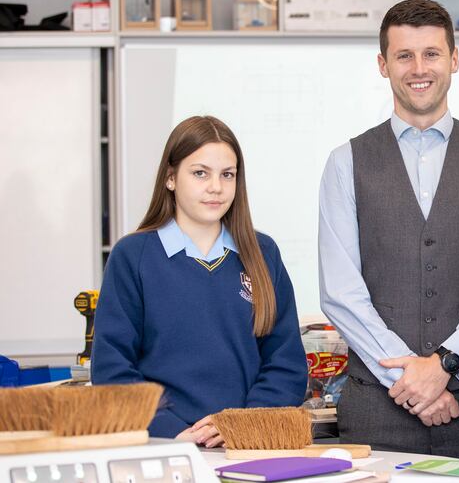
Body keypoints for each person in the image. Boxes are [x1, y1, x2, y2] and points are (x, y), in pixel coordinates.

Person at [318, 0, 459, 458]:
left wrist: (446, 365)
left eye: (432, 53)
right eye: (404, 55)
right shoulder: (345, 162)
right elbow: (340, 291)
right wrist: (414, 382)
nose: (419, 68)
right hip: (376, 413)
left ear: (454, 59)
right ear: (382, 64)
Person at [92, 115, 307, 446]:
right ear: (170, 178)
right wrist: (169, 430)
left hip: (247, 446)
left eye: (227, 175)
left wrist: (243, 424)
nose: (216, 187)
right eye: (200, 173)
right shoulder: (132, 256)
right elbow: (113, 370)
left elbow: (286, 363)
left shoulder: (263, 253)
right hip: (163, 446)